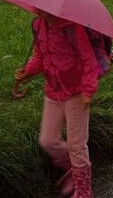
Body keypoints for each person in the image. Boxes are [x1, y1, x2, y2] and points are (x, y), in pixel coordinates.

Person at [15, 10, 100, 198]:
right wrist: (28, 72)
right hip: (53, 90)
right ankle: (71, 167)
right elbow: (40, 56)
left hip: (76, 92)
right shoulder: (39, 25)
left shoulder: (73, 27)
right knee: (47, 140)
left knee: (77, 145)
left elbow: (89, 60)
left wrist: (88, 90)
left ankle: (84, 192)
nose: (39, 10)